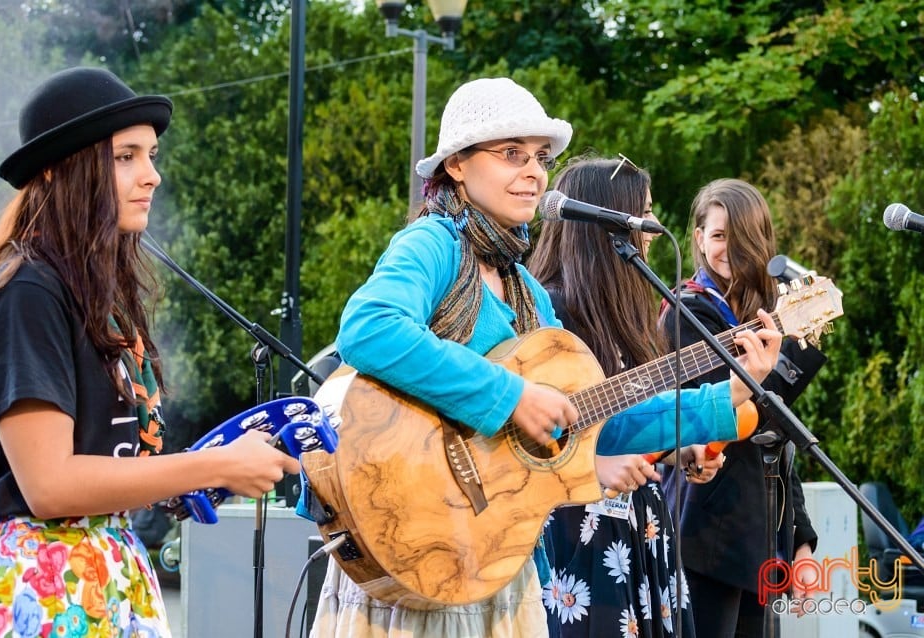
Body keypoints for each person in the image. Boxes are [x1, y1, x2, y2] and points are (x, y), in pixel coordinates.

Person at [307, 78, 781, 637]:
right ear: (457, 165)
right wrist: (510, 396)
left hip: (495, 552)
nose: (533, 171)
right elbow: (369, 329)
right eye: (511, 154)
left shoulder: (527, 291)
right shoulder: (431, 244)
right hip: (415, 529)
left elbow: (590, 416)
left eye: (539, 157)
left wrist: (728, 395)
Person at [0, 67, 299, 637]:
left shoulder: (94, 290)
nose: (152, 175)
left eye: (151, 154)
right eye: (126, 157)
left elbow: (107, 462)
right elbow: (48, 485)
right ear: (57, 168)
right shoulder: (26, 288)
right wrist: (213, 464)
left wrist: (181, 478)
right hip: (43, 583)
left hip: (105, 571)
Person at [529, 156, 727, 637]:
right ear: (605, 223)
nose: (654, 228)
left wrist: (676, 449)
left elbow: (623, 421)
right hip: (577, 533)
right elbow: (531, 434)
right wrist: (594, 466)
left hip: (639, 526)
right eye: (642, 213)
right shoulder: (548, 308)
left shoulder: (623, 313)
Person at [660, 178, 827, 638]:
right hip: (704, 537)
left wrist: (801, 540)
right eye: (717, 236)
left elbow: (779, 438)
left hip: (763, 541)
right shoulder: (686, 312)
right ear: (697, 239)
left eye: (741, 238)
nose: (727, 249)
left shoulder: (761, 316)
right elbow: (740, 418)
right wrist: (797, 357)